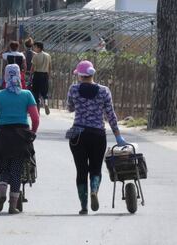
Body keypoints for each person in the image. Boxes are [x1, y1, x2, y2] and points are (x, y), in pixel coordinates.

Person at [67, 60, 128, 215]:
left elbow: (69, 108)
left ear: (80, 75)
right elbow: (110, 115)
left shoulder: (74, 89)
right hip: (97, 134)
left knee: (81, 170)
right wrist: (118, 136)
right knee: (96, 168)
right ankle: (94, 190)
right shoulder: (104, 91)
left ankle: (84, 206)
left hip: (78, 134)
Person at [0, 64, 39, 214]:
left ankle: (2, 192)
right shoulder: (27, 95)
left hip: (2, 135)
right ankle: (13, 205)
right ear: (19, 76)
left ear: (5, 76)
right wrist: (32, 134)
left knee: (3, 167)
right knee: (16, 170)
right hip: (21, 136)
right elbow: (35, 119)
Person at [31, 41, 51, 115]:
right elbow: (49, 67)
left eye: (35, 47)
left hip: (37, 75)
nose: (34, 48)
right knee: (44, 93)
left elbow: (32, 68)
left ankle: (37, 111)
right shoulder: (48, 55)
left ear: (39, 48)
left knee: (36, 93)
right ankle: (45, 103)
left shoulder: (35, 56)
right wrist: (48, 76)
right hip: (45, 75)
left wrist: (30, 76)